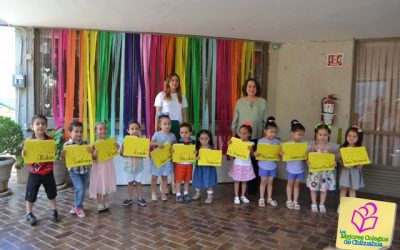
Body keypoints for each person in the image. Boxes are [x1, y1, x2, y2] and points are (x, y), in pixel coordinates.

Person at [231, 78, 268, 196]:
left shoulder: (262, 102)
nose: (251, 89)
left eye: (254, 86)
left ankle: (252, 190)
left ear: (257, 89)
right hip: (240, 137)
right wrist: (234, 137)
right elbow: (235, 120)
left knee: (253, 163)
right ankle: (239, 190)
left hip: (256, 137)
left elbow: (264, 121)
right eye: (249, 86)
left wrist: (265, 136)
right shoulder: (240, 102)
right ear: (245, 88)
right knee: (240, 163)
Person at [154, 73, 188, 194]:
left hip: (177, 127)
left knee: (174, 156)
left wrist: (185, 131)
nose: (174, 82)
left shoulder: (182, 97)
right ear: (168, 82)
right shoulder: (161, 95)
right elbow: (157, 115)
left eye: (177, 81)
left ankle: (174, 184)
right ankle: (163, 184)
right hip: (165, 127)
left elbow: (184, 115)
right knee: (164, 156)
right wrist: (156, 130)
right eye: (172, 80)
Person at [23, 115, 59, 226]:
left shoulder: (50, 140)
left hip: (48, 172)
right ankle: (29, 214)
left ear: (46, 126)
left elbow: (54, 152)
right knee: (31, 194)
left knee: (51, 192)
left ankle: (54, 211)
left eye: (43, 124)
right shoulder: (29, 141)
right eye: (37, 124)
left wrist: (54, 148)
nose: (40, 126)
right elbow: (24, 154)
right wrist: (23, 152)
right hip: (34, 173)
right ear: (32, 127)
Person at [61, 121, 93, 218]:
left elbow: (91, 156)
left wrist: (91, 151)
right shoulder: (67, 145)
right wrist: (63, 154)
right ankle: (79, 207)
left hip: (85, 170)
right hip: (74, 171)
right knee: (80, 188)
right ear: (70, 133)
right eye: (76, 131)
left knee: (80, 189)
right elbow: (63, 159)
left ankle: (75, 205)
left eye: (81, 131)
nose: (79, 134)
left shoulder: (85, 143)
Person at [306, 123, 336, 213]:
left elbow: (331, 159)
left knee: (324, 188)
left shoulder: (329, 147)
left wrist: (333, 163)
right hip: (315, 172)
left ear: (328, 135)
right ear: (316, 135)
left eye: (325, 135)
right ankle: (314, 203)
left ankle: (322, 204)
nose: (322, 137)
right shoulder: (314, 146)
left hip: (325, 173)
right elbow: (310, 157)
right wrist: (308, 162)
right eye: (320, 135)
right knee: (313, 188)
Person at [89, 122, 117, 212]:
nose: (103, 130)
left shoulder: (109, 142)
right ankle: (99, 202)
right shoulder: (95, 144)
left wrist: (117, 146)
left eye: (104, 128)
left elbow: (114, 152)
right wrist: (94, 154)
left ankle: (105, 201)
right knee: (98, 184)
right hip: (99, 167)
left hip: (107, 166)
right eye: (100, 129)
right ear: (96, 131)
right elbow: (92, 158)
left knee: (106, 183)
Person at [119, 120, 147, 207]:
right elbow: (121, 153)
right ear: (128, 130)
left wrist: (146, 152)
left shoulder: (142, 141)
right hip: (129, 167)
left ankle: (140, 198)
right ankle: (129, 198)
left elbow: (145, 154)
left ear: (139, 130)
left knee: (139, 183)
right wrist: (121, 150)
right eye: (132, 129)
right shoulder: (125, 140)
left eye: (137, 129)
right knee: (130, 183)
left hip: (139, 167)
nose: (134, 131)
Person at [338, 126, 365, 212]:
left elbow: (363, 162)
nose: (351, 138)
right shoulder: (343, 147)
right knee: (343, 189)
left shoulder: (360, 149)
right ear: (346, 136)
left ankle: (352, 207)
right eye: (349, 136)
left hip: (355, 172)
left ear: (358, 138)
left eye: (354, 136)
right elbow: (338, 159)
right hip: (346, 172)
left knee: (352, 190)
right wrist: (343, 164)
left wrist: (360, 165)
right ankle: (341, 205)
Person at [254, 116, 280, 207]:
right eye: (271, 132)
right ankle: (261, 198)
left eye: (275, 132)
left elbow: (278, 154)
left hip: (272, 165)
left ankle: (269, 198)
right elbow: (258, 153)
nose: (273, 134)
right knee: (263, 182)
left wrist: (280, 153)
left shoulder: (277, 141)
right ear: (265, 131)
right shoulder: (260, 141)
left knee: (270, 182)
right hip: (263, 165)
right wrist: (256, 154)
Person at [150, 114, 176, 201]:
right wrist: (157, 144)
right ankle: (153, 193)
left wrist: (173, 149)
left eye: (169, 124)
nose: (167, 126)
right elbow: (150, 143)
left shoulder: (172, 136)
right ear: (160, 125)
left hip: (166, 160)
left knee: (164, 177)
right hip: (157, 160)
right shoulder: (157, 134)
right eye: (165, 124)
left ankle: (163, 193)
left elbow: (175, 146)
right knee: (154, 177)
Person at [228, 123, 256, 204]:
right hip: (238, 164)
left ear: (249, 134)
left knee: (244, 181)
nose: (242, 135)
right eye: (240, 133)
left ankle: (243, 196)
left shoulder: (251, 143)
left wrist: (251, 150)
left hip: (247, 165)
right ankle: (236, 196)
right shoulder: (236, 142)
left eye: (244, 133)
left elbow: (251, 155)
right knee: (236, 181)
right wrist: (229, 144)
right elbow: (231, 152)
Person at [192, 129, 218, 204]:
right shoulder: (197, 147)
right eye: (202, 138)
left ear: (209, 139)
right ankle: (197, 193)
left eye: (206, 138)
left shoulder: (212, 147)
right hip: (199, 168)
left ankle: (210, 196)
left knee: (209, 181)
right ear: (198, 139)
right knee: (198, 180)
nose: (204, 140)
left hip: (209, 168)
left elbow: (215, 158)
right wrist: (196, 157)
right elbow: (194, 158)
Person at [285, 120, 306, 210]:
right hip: (291, 169)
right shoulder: (287, 144)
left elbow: (305, 158)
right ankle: (289, 200)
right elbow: (283, 154)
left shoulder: (303, 145)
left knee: (297, 185)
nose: (300, 136)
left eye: (302, 135)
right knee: (290, 184)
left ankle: (295, 201)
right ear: (292, 133)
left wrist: (306, 155)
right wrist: (282, 153)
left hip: (300, 169)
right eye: (299, 134)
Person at [174, 123, 195, 202]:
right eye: (182, 132)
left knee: (187, 179)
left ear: (190, 133)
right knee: (178, 180)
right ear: (179, 133)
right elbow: (173, 151)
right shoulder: (177, 141)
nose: (184, 134)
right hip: (180, 164)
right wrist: (173, 150)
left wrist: (195, 152)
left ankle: (186, 193)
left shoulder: (193, 142)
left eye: (186, 132)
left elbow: (196, 152)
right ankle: (178, 194)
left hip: (189, 164)